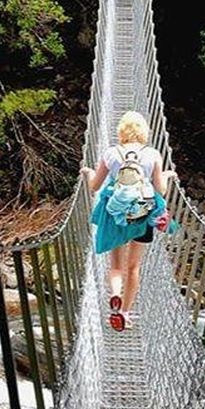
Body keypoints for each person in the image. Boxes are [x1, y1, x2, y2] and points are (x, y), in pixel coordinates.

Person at [80, 111, 177, 331]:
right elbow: (160, 190)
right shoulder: (153, 154)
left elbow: (95, 186)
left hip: (116, 215)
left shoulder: (111, 153)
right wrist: (168, 177)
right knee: (133, 268)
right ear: (144, 131)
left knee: (116, 266)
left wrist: (87, 172)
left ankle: (115, 294)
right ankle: (124, 312)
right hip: (142, 215)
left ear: (121, 131)